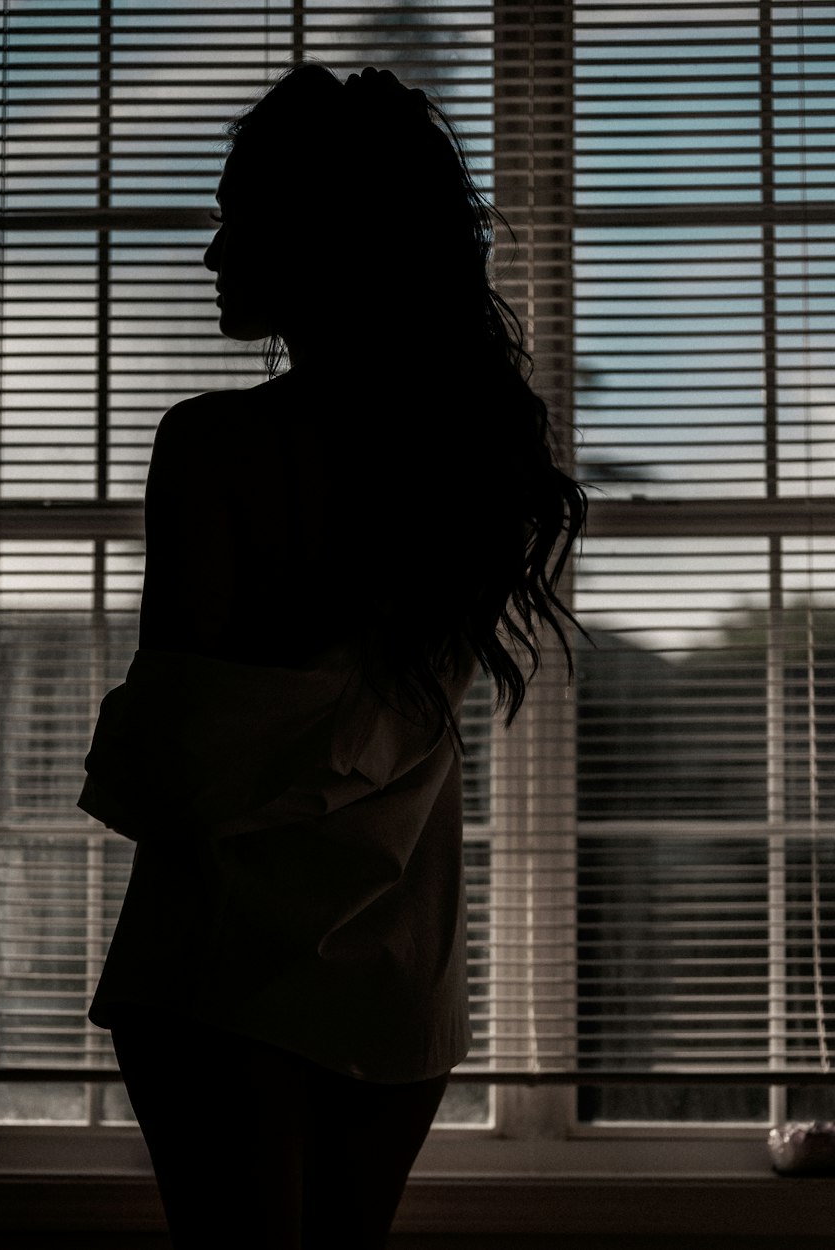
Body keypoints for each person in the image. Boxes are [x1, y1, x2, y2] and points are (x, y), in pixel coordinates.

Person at [79, 63, 586, 1250]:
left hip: (222, 961)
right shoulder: (476, 473)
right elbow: (333, 718)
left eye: (235, 217)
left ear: (322, 236)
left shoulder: (215, 444)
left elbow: (174, 762)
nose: (212, 253)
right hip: (396, 958)